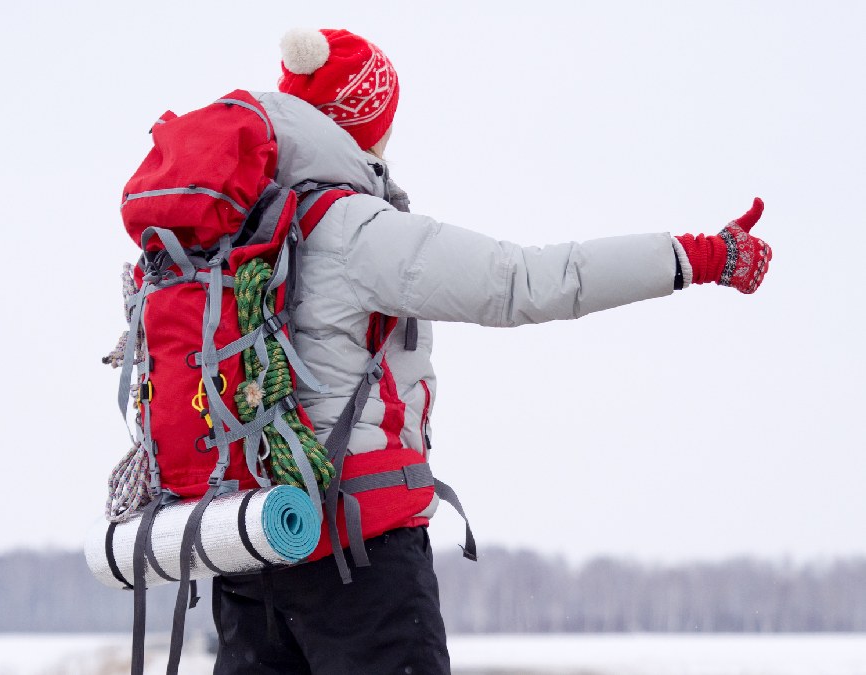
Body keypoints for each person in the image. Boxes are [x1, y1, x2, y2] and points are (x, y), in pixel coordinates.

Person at [211, 28, 773, 675]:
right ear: (363, 128)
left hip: (249, 546)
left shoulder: (233, 234)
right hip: (356, 558)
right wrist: (696, 255)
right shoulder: (355, 230)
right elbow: (526, 281)